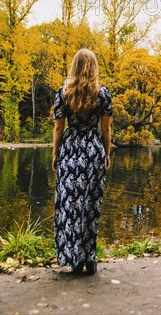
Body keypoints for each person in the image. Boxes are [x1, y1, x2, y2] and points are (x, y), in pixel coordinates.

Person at [52, 49, 112, 275]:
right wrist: (106, 154)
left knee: (70, 207)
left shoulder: (63, 94)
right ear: (94, 68)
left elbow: (59, 128)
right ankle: (90, 259)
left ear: (74, 67)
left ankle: (74, 259)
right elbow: (105, 128)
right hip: (93, 152)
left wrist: (55, 155)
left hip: (70, 152)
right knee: (90, 206)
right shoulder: (103, 95)